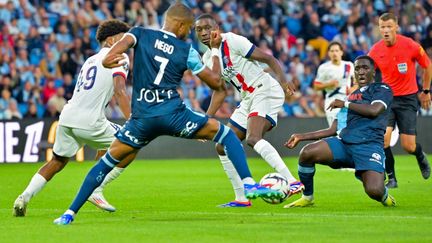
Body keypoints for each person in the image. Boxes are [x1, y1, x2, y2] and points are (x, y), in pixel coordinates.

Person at [53, 3, 282, 225]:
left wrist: (107, 58)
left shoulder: (139, 34)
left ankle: (69, 213)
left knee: (105, 164)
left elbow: (111, 54)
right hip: (174, 115)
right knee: (226, 135)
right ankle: (249, 183)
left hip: (142, 119)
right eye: (190, 28)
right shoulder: (186, 50)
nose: (190, 32)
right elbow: (215, 82)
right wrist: (213, 51)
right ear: (181, 26)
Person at [13, 19, 132, 217]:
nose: (128, 43)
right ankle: (96, 188)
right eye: (124, 38)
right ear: (112, 40)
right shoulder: (119, 55)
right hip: (90, 121)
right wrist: (132, 122)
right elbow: (120, 91)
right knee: (131, 145)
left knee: (57, 161)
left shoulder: (90, 60)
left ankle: (24, 197)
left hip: (67, 117)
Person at [195, 14, 304, 208]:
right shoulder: (207, 56)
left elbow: (268, 58)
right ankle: (241, 198)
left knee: (253, 138)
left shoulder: (233, 41)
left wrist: (283, 80)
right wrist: (206, 119)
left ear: (217, 28)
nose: (204, 32)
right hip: (247, 98)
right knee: (222, 146)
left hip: (264, 88)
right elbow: (219, 88)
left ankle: (292, 181)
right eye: (199, 29)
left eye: (207, 28)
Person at [283, 55, 396, 208]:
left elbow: (374, 110)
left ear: (373, 72)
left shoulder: (382, 89)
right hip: (345, 146)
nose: (361, 72)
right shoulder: (350, 97)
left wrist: (345, 104)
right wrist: (300, 137)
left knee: (374, 190)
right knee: (307, 153)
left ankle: (384, 195)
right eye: (357, 69)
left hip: (369, 147)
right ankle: (308, 197)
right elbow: (333, 129)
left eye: (365, 68)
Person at [368, 13, 432, 188]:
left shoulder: (410, 45)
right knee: (383, 141)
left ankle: (420, 155)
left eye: (389, 26)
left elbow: (427, 65)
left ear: (396, 27)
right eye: (382, 27)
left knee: (408, 146)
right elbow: (366, 73)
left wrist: (426, 91)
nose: (386, 30)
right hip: (387, 99)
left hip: (408, 99)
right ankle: (392, 179)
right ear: (379, 28)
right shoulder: (375, 50)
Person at [313, 41, 355, 126]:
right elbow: (316, 86)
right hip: (332, 101)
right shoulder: (324, 67)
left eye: (336, 50)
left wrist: (353, 89)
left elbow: (356, 82)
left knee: (348, 128)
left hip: (347, 100)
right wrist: (329, 84)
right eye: (332, 51)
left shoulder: (349, 65)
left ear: (341, 52)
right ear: (328, 53)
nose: (334, 53)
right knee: (335, 129)